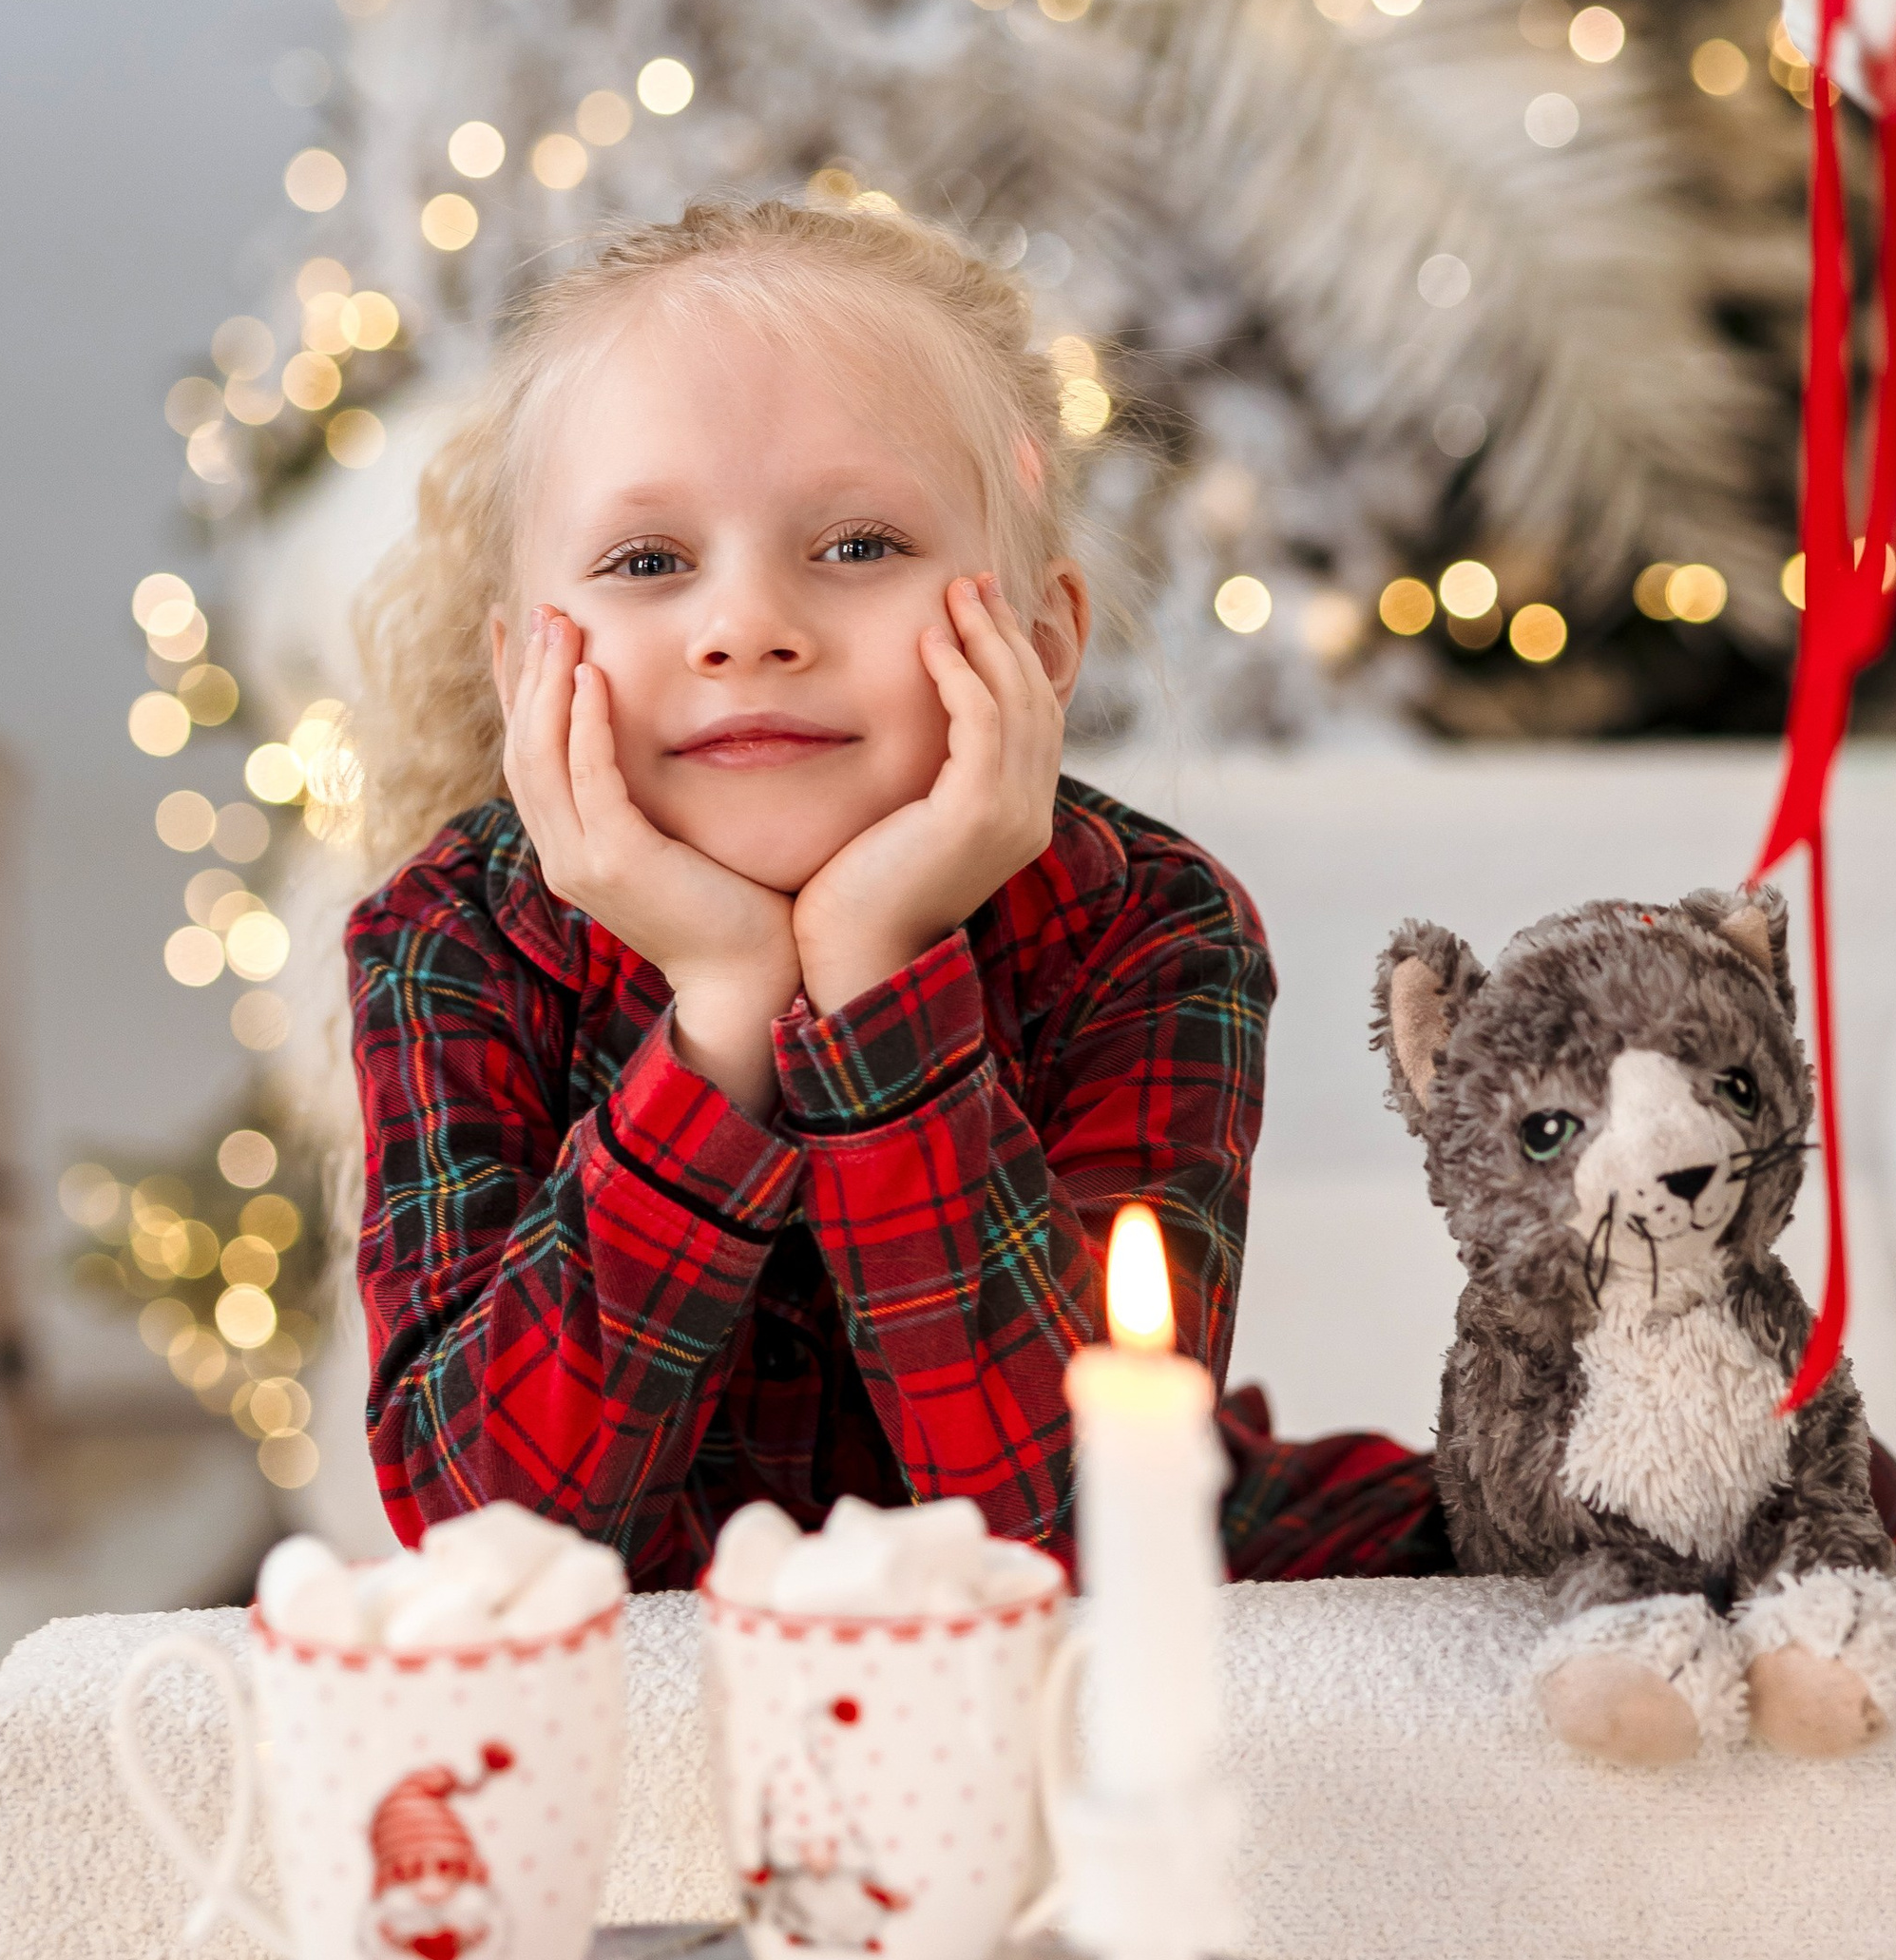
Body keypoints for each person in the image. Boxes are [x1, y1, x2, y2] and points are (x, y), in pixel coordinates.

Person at [346, 199, 1450, 1590]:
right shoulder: (451, 935)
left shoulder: (1149, 925)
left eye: (859, 545)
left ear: (1038, 640)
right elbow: (484, 1533)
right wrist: (722, 1020)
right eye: (648, 563)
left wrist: (875, 978)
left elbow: (1076, 1534)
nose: (748, 626)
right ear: (524, 675)